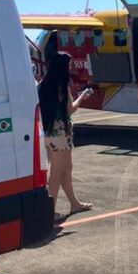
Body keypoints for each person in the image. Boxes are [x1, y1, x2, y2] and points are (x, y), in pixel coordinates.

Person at [38, 38, 93, 221]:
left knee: (66, 169)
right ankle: (49, 211)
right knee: (57, 172)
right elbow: (70, 109)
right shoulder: (61, 87)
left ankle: (74, 203)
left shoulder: (43, 85)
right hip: (60, 134)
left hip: (49, 132)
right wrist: (82, 98)